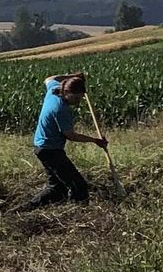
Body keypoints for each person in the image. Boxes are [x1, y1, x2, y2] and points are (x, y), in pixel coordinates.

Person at [19, 71, 106, 210]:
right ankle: (78, 214)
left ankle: (24, 209)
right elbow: (70, 135)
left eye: (80, 98)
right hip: (50, 150)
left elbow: (49, 78)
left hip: (42, 147)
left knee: (57, 189)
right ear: (66, 93)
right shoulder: (61, 110)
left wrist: (73, 76)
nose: (78, 102)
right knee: (78, 186)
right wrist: (95, 140)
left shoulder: (53, 90)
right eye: (75, 98)